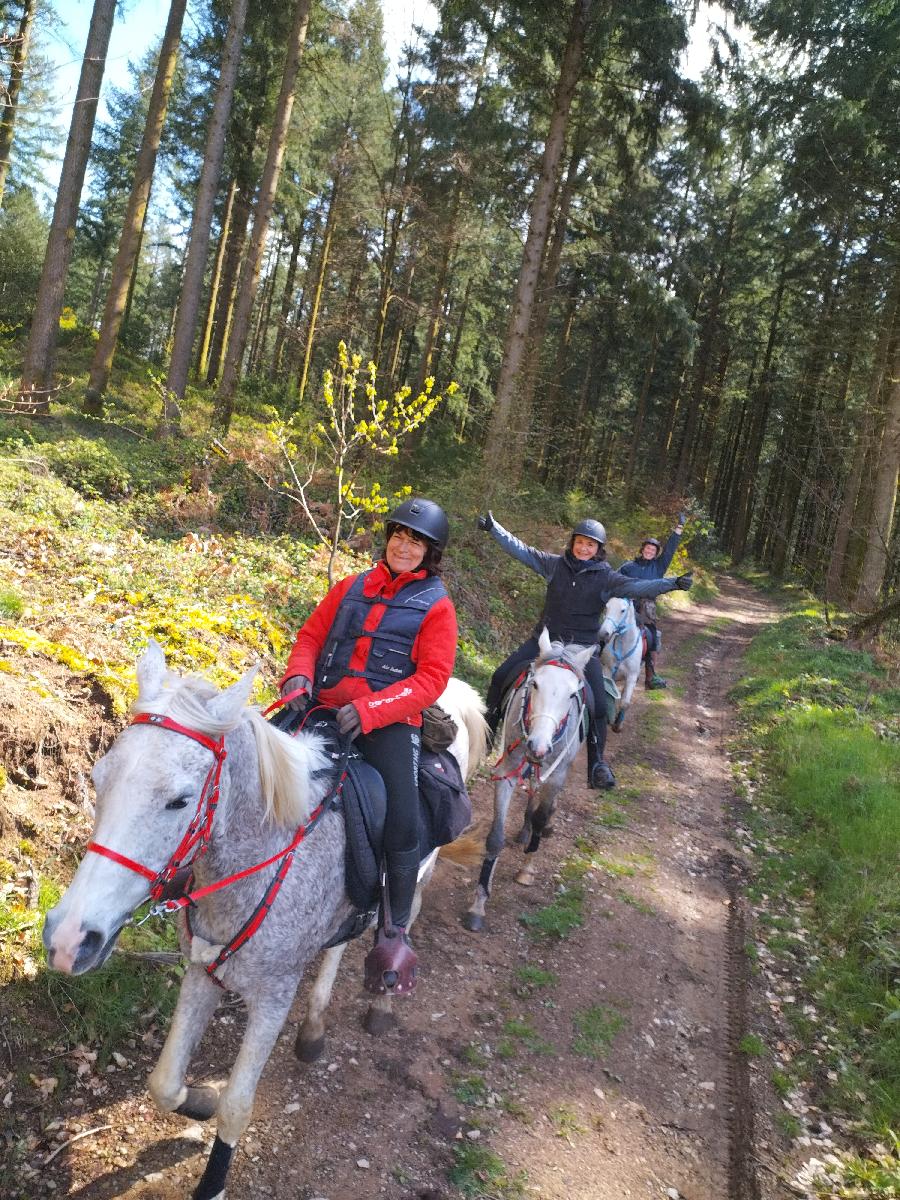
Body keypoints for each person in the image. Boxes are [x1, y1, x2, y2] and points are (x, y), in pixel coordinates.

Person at [279, 497, 457, 997]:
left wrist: (373, 710)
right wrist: (298, 674)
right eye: (399, 536)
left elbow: (432, 678)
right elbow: (312, 637)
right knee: (249, 766)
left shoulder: (437, 607)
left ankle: (394, 932)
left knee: (402, 819)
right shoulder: (351, 587)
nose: (404, 546)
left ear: (430, 552)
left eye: (415, 541)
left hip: (389, 723)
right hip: (321, 709)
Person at [477, 513, 692, 789]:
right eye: (580, 542)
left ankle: (597, 765)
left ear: (598, 549)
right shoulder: (554, 565)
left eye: (590, 545)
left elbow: (639, 586)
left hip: (582, 649)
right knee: (500, 676)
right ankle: (488, 735)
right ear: (573, 543)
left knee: (599, 705)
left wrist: (671, 583)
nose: (584, 548)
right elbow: (521, 550)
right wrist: (494, 528)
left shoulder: (607, 578)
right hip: (545, 641)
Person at [619, 513, 685, 689]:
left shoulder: (658, 567)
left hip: (646, 607)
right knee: (606, 628)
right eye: (647, 549)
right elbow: (613, 580)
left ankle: (650, 677)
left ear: (656, 553)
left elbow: (670, 550)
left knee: (653, 636)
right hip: (626, 603)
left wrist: (678, 530)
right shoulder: (628, 567)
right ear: (642, 550)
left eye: (653, 550)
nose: (649, 551)